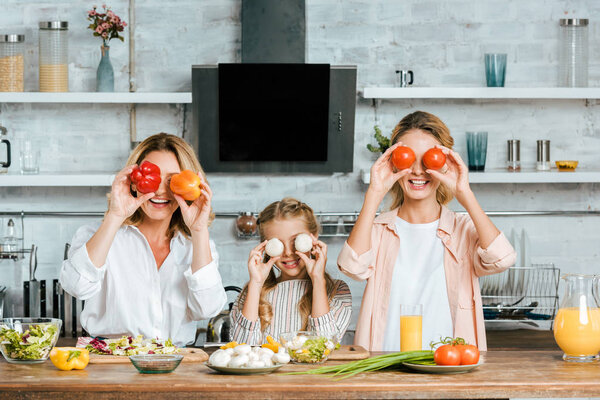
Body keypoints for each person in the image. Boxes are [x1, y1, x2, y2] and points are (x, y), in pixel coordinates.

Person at [338, 111, 516, 351]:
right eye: (407, 158)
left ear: (444, 163)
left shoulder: (462, 229)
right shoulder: (380, 229)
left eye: (429, 159)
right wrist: (374, 193)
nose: (418, 171)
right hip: (385, 365)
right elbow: (353, 267)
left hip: (449, 364)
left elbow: (502, 258)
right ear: (393, 162)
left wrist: (466, 194)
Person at [60, 133, 227, 347]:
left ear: (189, 186)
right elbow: (76, 287)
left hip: (173, 363)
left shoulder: (196, 245)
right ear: (134, 179)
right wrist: (116, 215)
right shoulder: (96, 233)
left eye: (173, 180)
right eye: (153, 178)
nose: (160, 190)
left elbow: (207, 309)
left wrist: (199, 230)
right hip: (110, 364)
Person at [230, 197, 352, 345]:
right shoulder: (250, 295)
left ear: (314, 238)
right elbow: (241, 350)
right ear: (265, 247)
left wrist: (318, 280)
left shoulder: (337, 292)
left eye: (296, 241)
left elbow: (324, 346)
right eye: (277, 244)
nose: (288, 252)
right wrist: (256, 284)